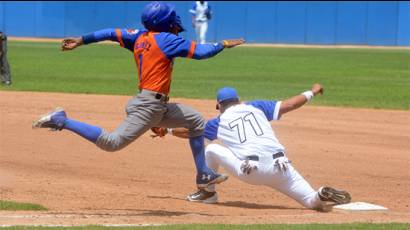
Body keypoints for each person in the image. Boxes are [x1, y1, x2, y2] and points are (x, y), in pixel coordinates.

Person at [32, 2, 244, 189]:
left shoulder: (138, 36)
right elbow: (200, 52)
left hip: (154, 105)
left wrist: (81, 40)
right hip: (148, 107)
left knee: (196, 121)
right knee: (111, 142)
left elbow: (109, 32)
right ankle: (62, 120)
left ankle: (204, 174)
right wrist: (222, 44)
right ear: (166, 21)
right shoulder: (167, 39)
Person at [151, 84, 352, 211]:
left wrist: (166, 131)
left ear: (219, 105)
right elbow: (290, 105)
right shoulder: (257, 107)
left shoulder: (218, 122)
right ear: (238, 100)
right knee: (311, 201)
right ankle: (321, 193)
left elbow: (190, 132)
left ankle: (207, 192)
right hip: (281, 167)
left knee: (211, 149)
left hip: (252, 172)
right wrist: (312, 91)